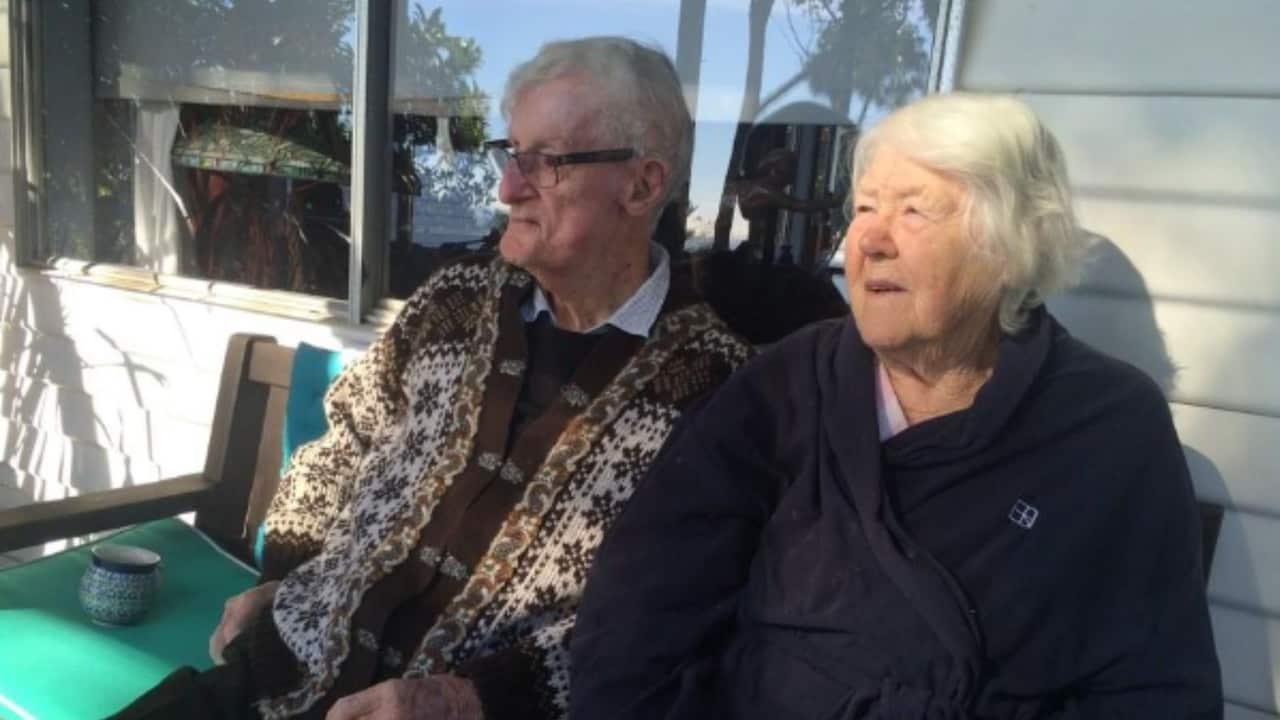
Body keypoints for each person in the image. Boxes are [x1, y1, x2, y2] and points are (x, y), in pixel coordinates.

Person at [111, 37, 753, 720]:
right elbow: (345, 440)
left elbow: (669, 619)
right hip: (275, 671)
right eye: (511, 155)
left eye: (545, 164)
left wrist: (467, 700)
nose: (506, 189)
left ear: (642, 184)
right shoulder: (454, 302)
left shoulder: (715, 388)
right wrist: (283, 578)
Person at [571, 93, 1223, 718]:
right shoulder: (790, 384)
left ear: (1007, 245)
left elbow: (1152, 689)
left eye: (914, 212)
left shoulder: (1107, 430)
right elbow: (641, 609)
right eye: (863, 210)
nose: (871, 241)